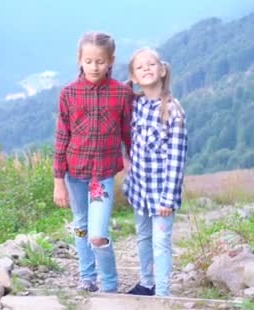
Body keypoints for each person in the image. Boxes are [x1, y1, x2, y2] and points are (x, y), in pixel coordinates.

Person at [53, 31, 133, 293]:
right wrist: (58, 181)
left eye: (100, 61)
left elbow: (127, 134)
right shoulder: (69, 94)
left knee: (97, 234)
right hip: (74, 174)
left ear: (111, 60)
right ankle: (87, 276)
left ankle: (109, 284)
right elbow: (62, 136)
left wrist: (133, 165)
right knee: (80, 226)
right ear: (80, 60)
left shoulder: (121, 94)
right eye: (89, 61)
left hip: (101, 177)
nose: (94, 67)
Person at [123, 47, 188, 297]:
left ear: (162, 70)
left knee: (160, 242)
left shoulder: (173, 110)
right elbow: (119, 94)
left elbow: (176, 159)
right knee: (143, 238)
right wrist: (130, 82)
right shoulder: (135, 104)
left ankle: (162, 292)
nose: (146, 69)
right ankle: (147, 283)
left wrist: (168, 198)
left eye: (151, 64)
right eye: (140, 67)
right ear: (134, 76)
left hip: (162, 194)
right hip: (139, 190)